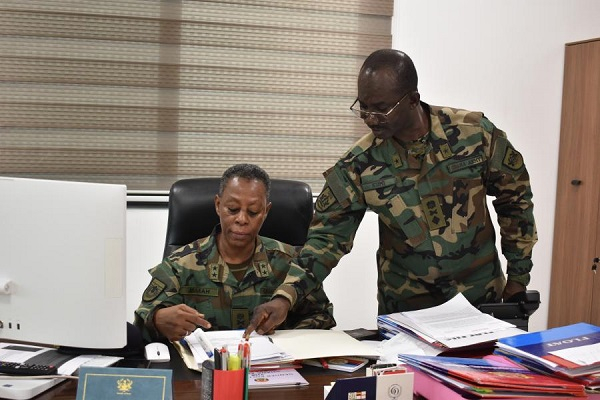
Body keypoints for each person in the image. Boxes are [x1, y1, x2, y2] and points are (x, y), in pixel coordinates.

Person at [245, 49, 537, 336]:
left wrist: (518, 279)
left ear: (412, 99)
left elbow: (516, 200)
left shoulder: (474, 134)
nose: (370, 118)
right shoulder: (358, 164)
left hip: (479, 299)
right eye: (364, 106)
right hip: (406, 312)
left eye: (381, 108)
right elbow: (326, 240)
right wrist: (286, 297)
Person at [134, 163, 335, 343]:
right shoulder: (180, 264)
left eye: (253, 212)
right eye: (232, 209)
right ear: (218, 205)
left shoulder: (292, 263)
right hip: (201, 374)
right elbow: (140, 326)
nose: (241, 219)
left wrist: (285, 340)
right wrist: (157, 320)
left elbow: (322, 317)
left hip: (275, 372)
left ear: (266, 211)